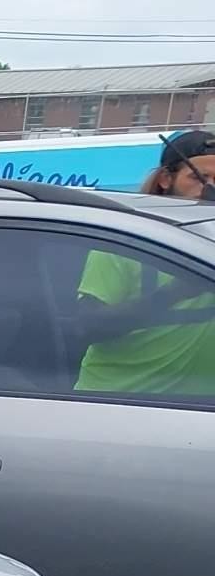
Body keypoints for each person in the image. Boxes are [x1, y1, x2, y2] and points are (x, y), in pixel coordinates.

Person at [73, 129, 215, 394]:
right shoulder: (127, 239)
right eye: (199, 178)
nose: (210, 190)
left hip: (198, 412)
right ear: (165, 179)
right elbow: (88, 326)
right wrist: (176, 291)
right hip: (119, 407)